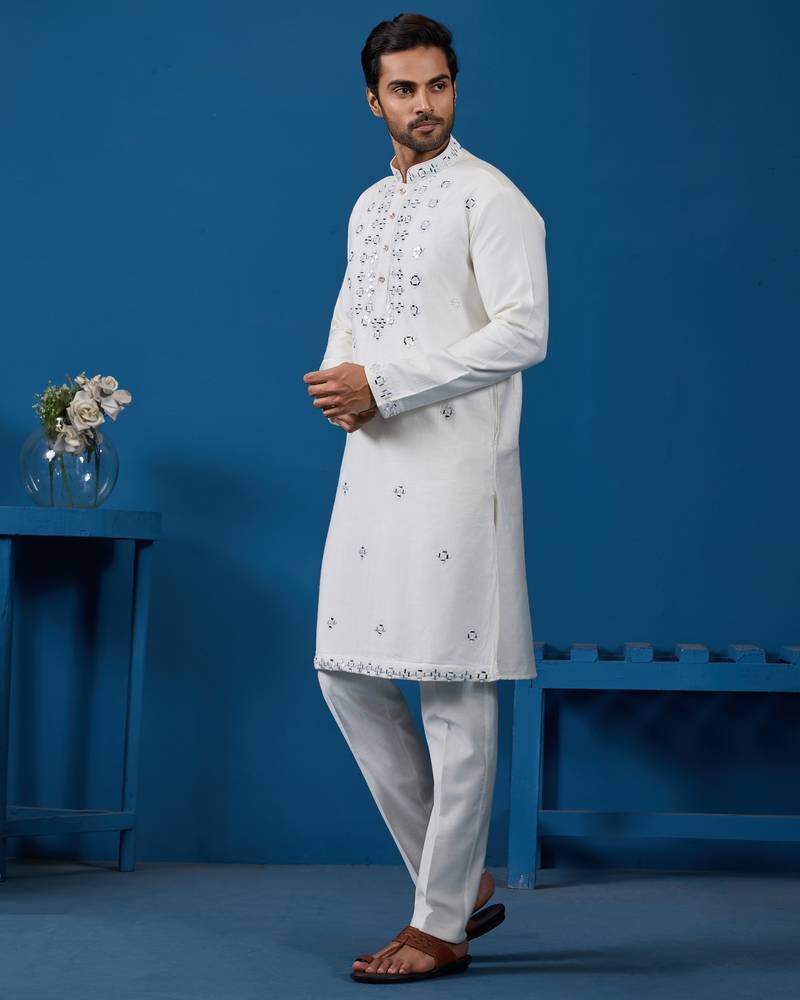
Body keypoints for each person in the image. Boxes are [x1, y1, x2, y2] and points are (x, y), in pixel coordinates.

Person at [302, 12, 549, 984]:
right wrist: (339, 381)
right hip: (372, 465)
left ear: (453, 88)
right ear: (373, 100)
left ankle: (439, 923)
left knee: (454, 689)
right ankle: (455, 880)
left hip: (454, 471)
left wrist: (387, 385)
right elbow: (354, 314)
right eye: (403, 89)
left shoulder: (493, 198)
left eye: (437, 85)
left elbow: (523, 331)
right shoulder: (369, 206)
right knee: (346, 672)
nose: (423, 105)